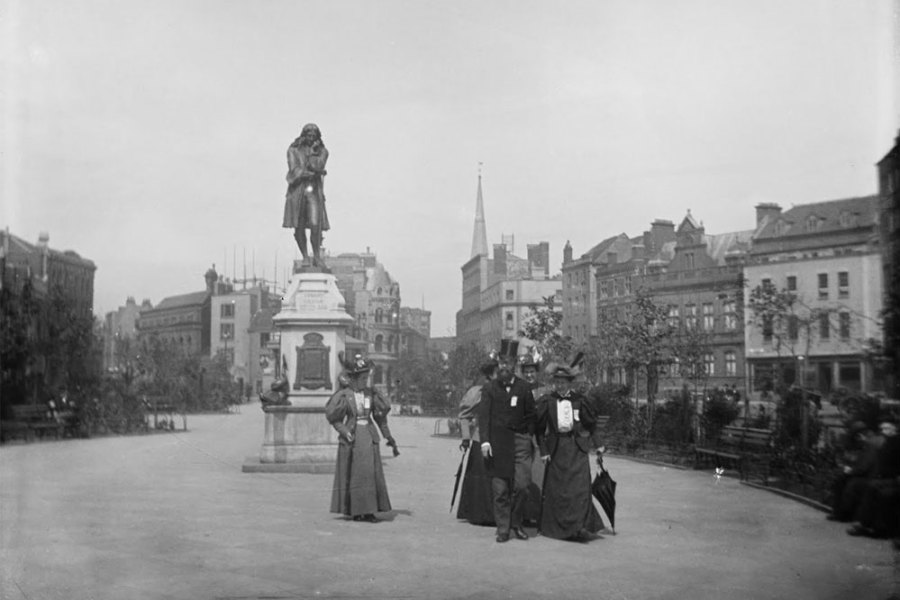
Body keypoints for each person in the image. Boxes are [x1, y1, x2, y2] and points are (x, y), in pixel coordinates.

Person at [536, 364, 606, 541]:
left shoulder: (580, 400)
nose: (560, 386)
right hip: (557, 450)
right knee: (559, 491)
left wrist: (598, 445)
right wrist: (544, 451)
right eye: (557, 382)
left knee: (580, 489)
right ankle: (559, 529)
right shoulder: (547, 401)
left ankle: (579, 527)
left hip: (577, 449)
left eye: (563, 382)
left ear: (570, 383)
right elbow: (539, 430)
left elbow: (591, 425)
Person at [325, 353, 397, 522]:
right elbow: (334, 418)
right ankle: (356, 511)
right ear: (354, 379)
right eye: (363, 378)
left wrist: (388, 437)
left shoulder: (369, 395)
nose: (366, 381)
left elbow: (381, 416)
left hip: (369, 436)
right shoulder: (344, 395)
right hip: (353, 437)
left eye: (367, 377)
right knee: (356, 475)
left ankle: (370, 510)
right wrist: (344, 431)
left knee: (370, 474)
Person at [478, 344, 536, 543]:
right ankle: (503, 528)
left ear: (514, 365)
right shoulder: (489, 388)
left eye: (508, 363)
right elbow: (483, 417)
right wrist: (485, 442)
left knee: (522, 486)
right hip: (497, 444)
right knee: (500, 490)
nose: (504, 366)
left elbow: (531, 416)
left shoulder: (524, 388)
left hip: (520, 442)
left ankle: (517, 523)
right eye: (501, 362)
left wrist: (527, 437)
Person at [456, 354, 500, 526]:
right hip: (479, 440)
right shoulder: (477, 392)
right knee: (481, 479)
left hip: (500, 441)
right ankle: (480, 513)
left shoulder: (506, 391)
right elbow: (464, 416)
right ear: (489, 375)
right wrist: (466, 437)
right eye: (497, 373)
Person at [282, 123, 329, 267]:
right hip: (297, 192)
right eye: (308, 135)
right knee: (299, 225)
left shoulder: (322, 151)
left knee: (316, 224)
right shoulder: (293, 150)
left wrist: (313, 153)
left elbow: (319, 166)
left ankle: (316, 256)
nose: (311, 138)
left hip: (313, 190)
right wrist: (305, 173)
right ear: (303, 135)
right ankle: (305, 257)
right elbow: (293, 170)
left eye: (314, 136)